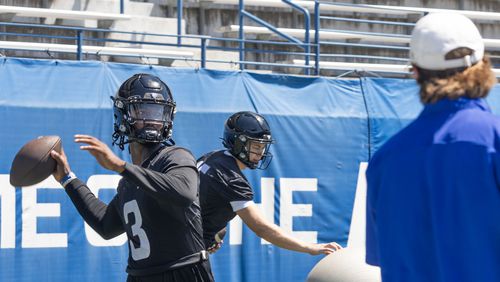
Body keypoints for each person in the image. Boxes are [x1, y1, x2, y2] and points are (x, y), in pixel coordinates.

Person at [365, 13, 500, 282]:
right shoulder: (493, 139)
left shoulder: (384, 160)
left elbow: (385, 258)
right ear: (483, 63)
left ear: (415, 71)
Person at [51, 73, 214, 282]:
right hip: (140, 275)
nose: (152, 121)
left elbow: (184, 192)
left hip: (183, 272)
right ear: (122, 115)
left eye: (158, 112)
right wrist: (68, 179)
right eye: (142, 111)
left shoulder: (175, 155)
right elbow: (106, 226)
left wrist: (120, 166)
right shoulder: (129, 181)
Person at [197, 111, 342, 255]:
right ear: (237, 142)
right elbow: (262, 229)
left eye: (262, 147)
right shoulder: (233, 180)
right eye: (255, 146)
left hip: (179, 239)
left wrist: (211, 233)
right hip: (187, 251)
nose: (260, 153)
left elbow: (205, 203)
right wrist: (310, 248)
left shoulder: (211, 156)